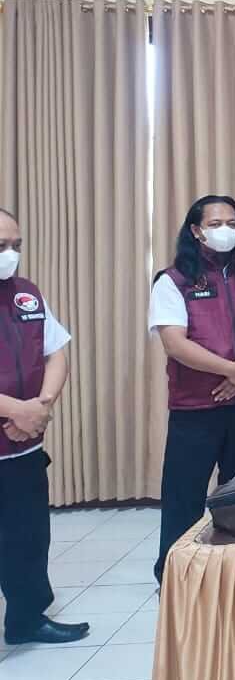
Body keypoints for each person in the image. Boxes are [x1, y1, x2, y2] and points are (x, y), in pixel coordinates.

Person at [149, 195, 235, 582]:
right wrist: (231, 371)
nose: (226, 230)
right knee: (184, 495)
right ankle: (175, 576)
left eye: (232, 223)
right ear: (196, 230)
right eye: (215, 224)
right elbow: (175, 343)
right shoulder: (173, 279)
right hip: (195, 407)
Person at [0, 208, 88, 645]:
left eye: (16, 245)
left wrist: (40, 406)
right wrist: (16, 410)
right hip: (14, 424)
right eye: (1, 246)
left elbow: (56, 353)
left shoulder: (27, 294)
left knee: (29, 536)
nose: (11, 254)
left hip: (24, 445)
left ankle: (26, 619)